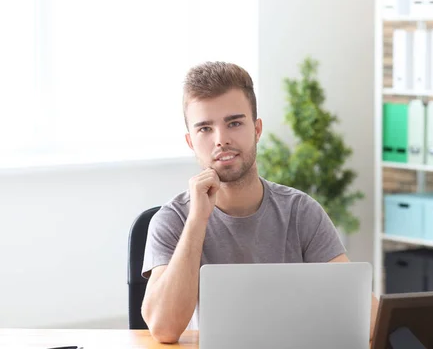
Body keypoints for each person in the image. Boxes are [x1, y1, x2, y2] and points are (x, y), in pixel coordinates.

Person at [140, 61, 379, 344]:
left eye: (234, 123)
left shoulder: (300, 212)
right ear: (191, 142)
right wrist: (197, 221)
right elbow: (165, 329)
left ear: (257, 129)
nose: (221, 140)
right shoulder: (172, 220)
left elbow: (368, 316)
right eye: (205, 128)